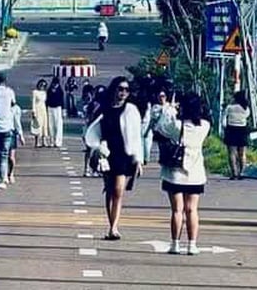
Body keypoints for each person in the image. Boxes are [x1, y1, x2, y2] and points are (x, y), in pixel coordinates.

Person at [84, 77, 143, 240]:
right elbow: (93, 129)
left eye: (126, 90)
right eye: (120, 89)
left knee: (119, 190)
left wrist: (138, 158)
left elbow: (136, 136)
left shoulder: (131, 109)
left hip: (124, 153)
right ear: (114, 89)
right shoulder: (104, 108)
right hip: (107, 153)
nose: (123, 92)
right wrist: (97, 147)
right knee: (110, 190)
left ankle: (114, 227)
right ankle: (111, 225)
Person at [155, 92, 211, 255]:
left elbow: (161, 127)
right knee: (192, 210)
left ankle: (175, 244)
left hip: (175, 173)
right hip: (195, 173)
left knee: (177, 210)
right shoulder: (205, 126)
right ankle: (192, 245)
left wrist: (170, 109)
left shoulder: (178, 126)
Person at [222, 90, 251, 180]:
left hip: (231, 129)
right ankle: (242, 172)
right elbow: (247, 117)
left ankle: (234, 173)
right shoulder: (246, 108)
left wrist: (225, 128)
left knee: (232, 153)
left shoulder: (229, 107)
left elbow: (223, 121)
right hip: (242, 130)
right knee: (242, 153)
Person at [82, 85, 106, 177]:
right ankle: (87, 169)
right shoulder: (93, 105)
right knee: (90, 150)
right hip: (92, 130)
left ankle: (97, 169)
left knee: (100, 151)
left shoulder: (105, 105)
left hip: (100, 130)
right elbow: (89, 118)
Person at [7, 100, 26, 184]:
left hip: (11, 132)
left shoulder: (16, 109)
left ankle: (11, 173)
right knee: (3, 156)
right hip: (0, 131)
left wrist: (21, 135)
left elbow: (17, 122)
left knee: (11, 156)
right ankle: (3, 175)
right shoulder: (1, 106)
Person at [46, 77, 66, 148]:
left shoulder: (60, 90)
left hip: (58, 108)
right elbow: (47, 100)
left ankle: (58, 142)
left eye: (56, 84)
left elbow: (62, 101)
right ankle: (52, 141)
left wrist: (63, 110)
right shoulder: (49, 90)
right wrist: (46, 108)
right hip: (50, 108)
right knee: (51, 126)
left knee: (58, 125)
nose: (54, 85)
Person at [30, 79, 49, 148]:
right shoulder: (35, 92)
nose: (42, 87)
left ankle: (44, 141)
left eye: (44, 85)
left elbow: (45, 102)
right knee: (38, 126)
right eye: (41, 85)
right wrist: (34, 111)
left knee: (44, 125)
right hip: (37, 110)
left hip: (43, 109)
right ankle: (37, 142)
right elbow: (33, 102)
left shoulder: (44, 93)